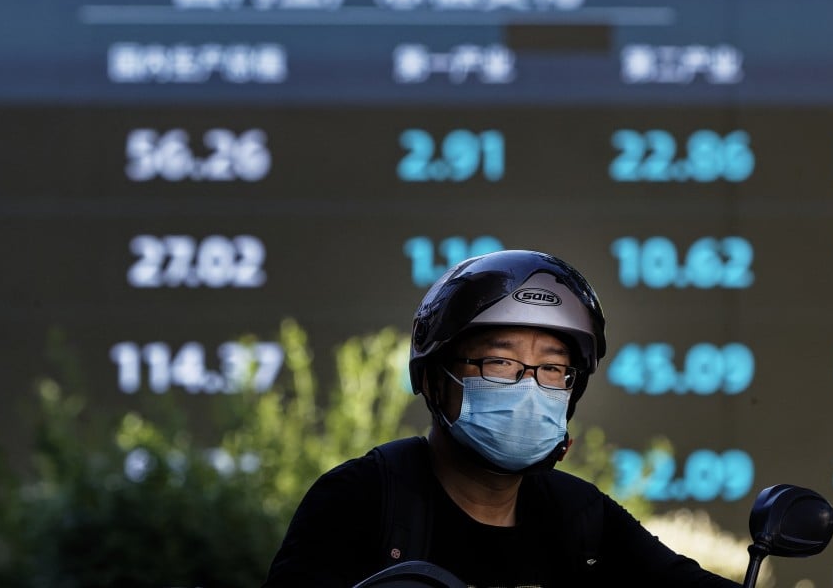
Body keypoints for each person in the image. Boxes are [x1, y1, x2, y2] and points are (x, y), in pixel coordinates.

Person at [263, 249, 741, 588]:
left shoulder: (580, 517)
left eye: (553, 368)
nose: (530, 385)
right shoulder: (361, 499)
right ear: (434, 379)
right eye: (500, 362)